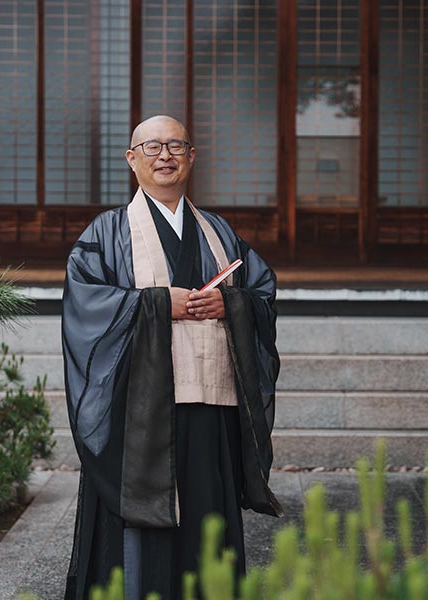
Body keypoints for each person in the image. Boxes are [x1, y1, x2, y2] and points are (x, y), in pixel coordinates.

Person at [61, 115, 282, 600]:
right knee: (144, 536)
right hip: (142, 413)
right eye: (152, 146)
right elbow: (85, 305)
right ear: (131, 159)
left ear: (191, 156)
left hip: (211, 407)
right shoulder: (108, 232)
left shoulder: (219, 232)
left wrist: (230, 303)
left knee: (207, 521)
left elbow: (262, 292)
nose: (165, 155)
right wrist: (160, 303)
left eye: (176, 146)